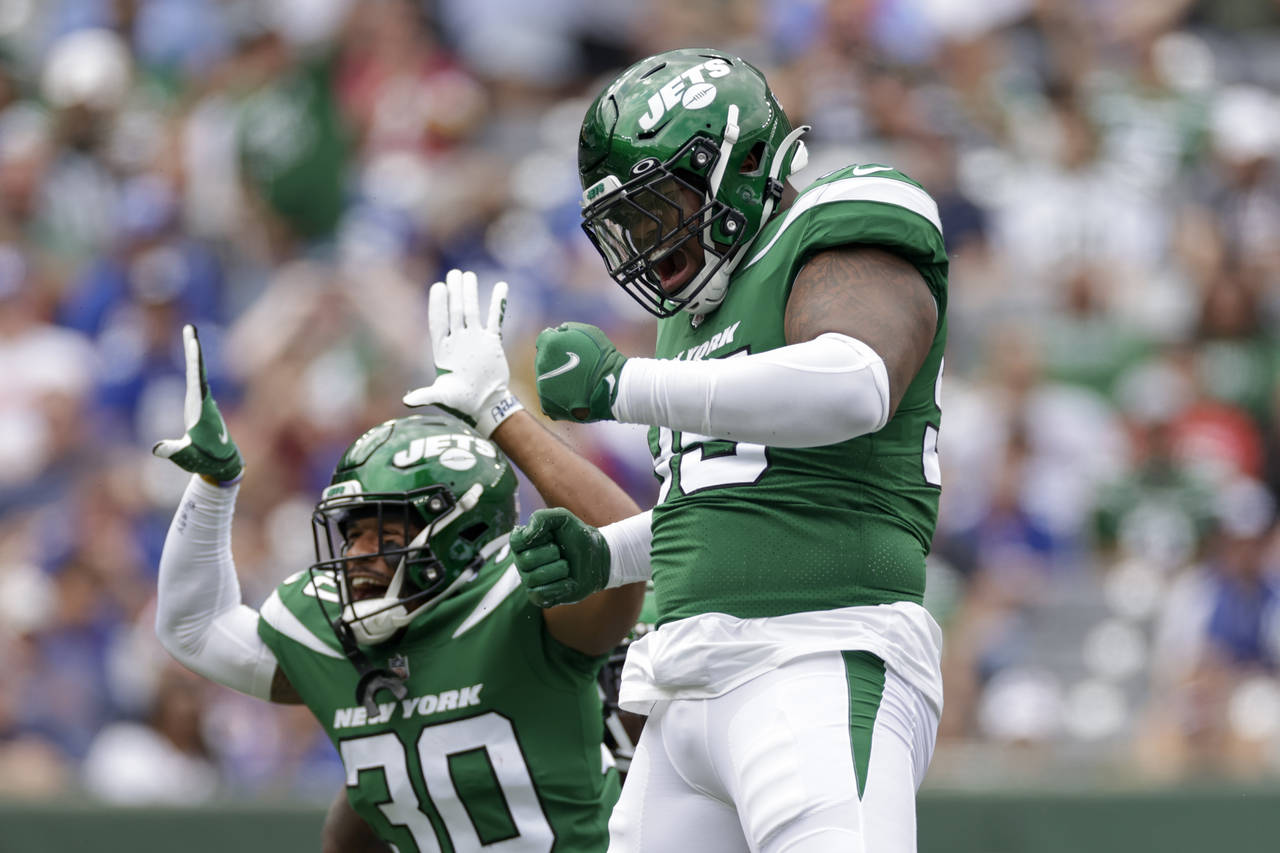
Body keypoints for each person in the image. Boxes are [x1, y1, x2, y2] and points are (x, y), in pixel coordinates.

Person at [510, 48, 948, 852]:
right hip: (684, 685)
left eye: (661, 205)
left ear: (743, 164)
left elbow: (854, 385)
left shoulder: (838, 217)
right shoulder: (691, 318)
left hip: (814, 650)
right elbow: (720, 502)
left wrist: (622, 387)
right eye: (630, 223)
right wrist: (606, 557)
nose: (648, 240)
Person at [153, 270, 645, 852]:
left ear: (460, 535)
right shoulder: (335, 639)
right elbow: (192, 628)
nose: (357, 555)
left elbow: (626, 548)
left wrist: (497, 412)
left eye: (382, 535)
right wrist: (213, 488)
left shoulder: (527, 607)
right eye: (352, 533)